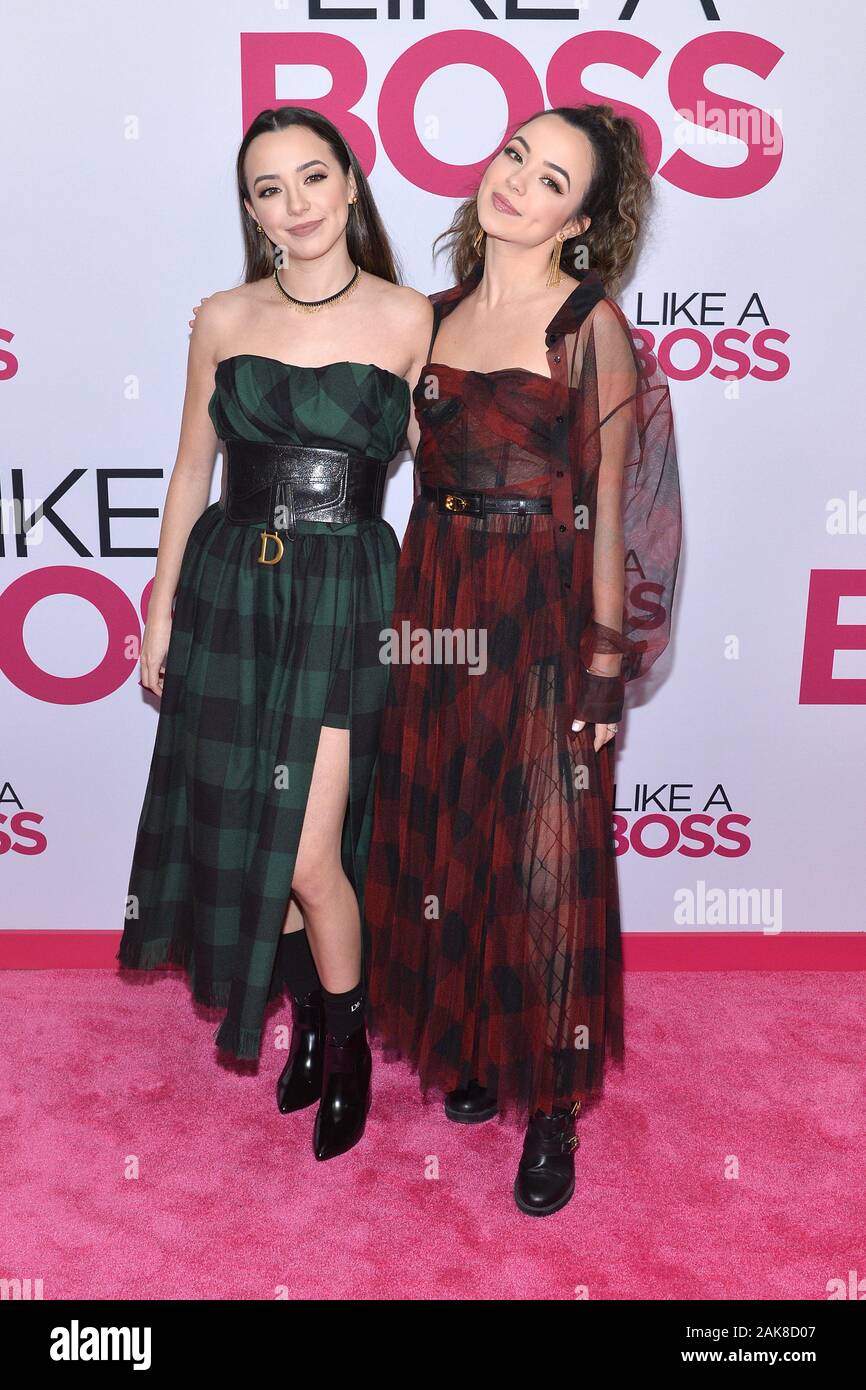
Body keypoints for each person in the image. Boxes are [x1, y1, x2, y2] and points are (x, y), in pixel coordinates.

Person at [363, 104, 682, 1213]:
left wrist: (605, 665)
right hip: (437, 592)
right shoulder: (429, 317)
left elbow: (611, 511)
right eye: (514, 156)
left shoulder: (587, 326)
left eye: (551, 179)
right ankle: (471, 1046)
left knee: (546, 848)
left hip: (541, 603)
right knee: (449, 829)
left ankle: (548, 1104)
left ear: (582, 218)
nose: (517, 183)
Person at [117, 105, 431, 1162]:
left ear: (349, 184)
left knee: (305, 851)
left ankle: (344, 1044)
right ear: (250, 210)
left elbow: (448, 482)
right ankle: (304, 1025)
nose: (293, 205)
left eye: (310, 179)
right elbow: (187, 470)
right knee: (256, 837)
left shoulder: (409, 317)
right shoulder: (222, 316)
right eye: (267, 189)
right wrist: (158, 608)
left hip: (346, 596)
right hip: (231, 591)